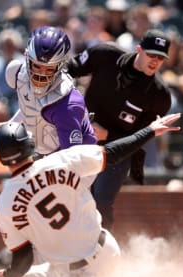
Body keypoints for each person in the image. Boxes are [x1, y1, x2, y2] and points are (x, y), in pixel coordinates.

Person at [0, 113, 181, 277]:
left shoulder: (4, 203)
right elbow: (113, 152)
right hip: (105, 252)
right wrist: (150, 130)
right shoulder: (62, 160)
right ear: (29, 144)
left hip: (71, 274)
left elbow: (23, 260)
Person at [65, 28, 172, 229]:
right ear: (139, 49)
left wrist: (108, 135)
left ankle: (100, 252)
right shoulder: (106, 54)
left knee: (102, 203)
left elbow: (141, 137)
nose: (155, 61)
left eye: (161, 58)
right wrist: (70, 107)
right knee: (67, 195)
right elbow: (69, 69)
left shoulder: (159, 96)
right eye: (151, 54)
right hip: (78, 138)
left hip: (118, 150)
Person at [5, 26, 97, 157]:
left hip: (77, 162)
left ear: (61, 65)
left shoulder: (67, 103)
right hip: (39, 154)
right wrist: (10, 124)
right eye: (37, 66)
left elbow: (72, 159)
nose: (41, 75)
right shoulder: (17, 73)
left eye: (49, 69)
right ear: (27, 58)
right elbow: (31, 105)